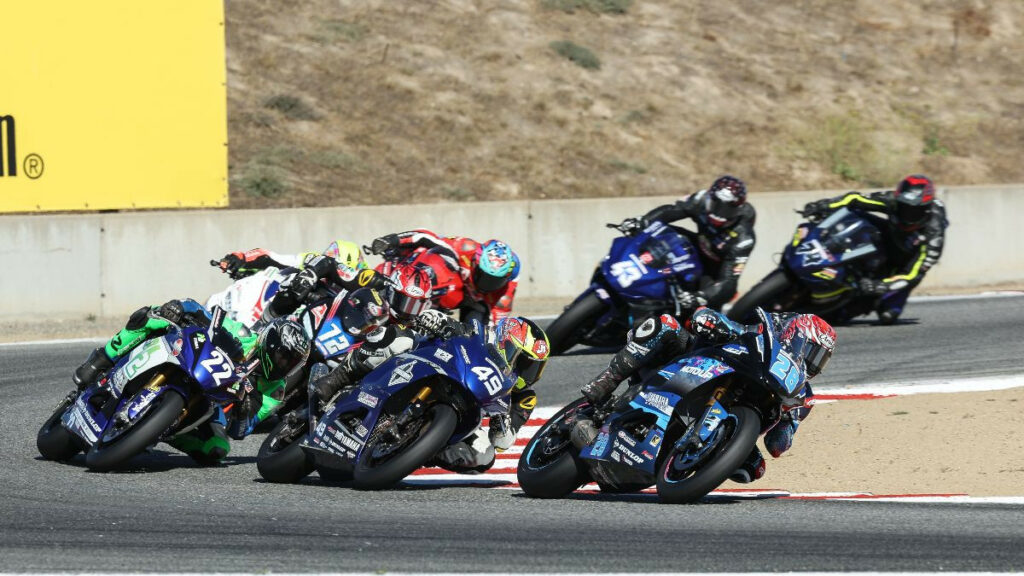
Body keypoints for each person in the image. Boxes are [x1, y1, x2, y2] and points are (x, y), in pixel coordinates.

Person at [577, 306, 836, 484]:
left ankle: (683, 459)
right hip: (690, 368)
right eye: (812, 352)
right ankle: (605, 382)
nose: (813, 364)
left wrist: (788, 423)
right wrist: (711, 321)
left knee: (753, 469)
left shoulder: (802, 395)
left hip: (729, 418)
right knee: (664, 325)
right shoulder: (760, 336)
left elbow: (777, 446)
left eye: (820, 360)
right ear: (794, 335)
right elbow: (705, 318)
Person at [310, 304, 550, 475]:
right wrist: (436, 320)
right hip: (428, 364)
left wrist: (502, 422)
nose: (527, 374)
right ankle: (337, 378)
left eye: (534, 368)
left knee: (484, 455)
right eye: (524, 363)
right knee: (396, 338)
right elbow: (446, 321)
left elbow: (504, 441)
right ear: (506, 343)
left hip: (462, 413)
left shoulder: (524, 398)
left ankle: (419, 448)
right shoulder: (482, 335)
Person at [71, 299, 310, 463]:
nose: (285, 366)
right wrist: (180, 308)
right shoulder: (245, 336)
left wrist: (244, 412)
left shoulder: (275, 390)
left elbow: (240, 431)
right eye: (283, 357)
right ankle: (102, 360)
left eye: (292, 364)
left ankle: (154, 431)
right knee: (152, 315)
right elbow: (204, 312)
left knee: (217, 449)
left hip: (211, 403)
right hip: (187, 358)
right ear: (270, 344)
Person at [802, 174, 948, 324]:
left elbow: (913, 274)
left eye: (914, 211)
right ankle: (826, 257)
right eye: (904, 207)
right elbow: (855, 199)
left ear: (927, 209)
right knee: (854, 213)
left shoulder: (934, 233)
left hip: (906, 262)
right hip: (889, 236)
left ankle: (837, 311)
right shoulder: (891, 200)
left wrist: (880, 286)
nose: (907, 214)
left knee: (887, 315)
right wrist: (823, 205)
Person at [618, 175, 756, 311]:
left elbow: (729, 281)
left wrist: (701, 296)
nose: (719, 215)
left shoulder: (743, 238)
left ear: (738, 210)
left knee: (700, 317)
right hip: (697, 247)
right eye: (716, 205)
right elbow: (671, 211)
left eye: (727, 210)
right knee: (663, 232)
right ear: (709, 198)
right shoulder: (700, 200)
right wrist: (641, 222)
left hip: (713, 271)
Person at [367, 230, 521, 323]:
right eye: (484, 275)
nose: (487, 284)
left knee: (479, 329)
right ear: (475, 263)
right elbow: (426, 236)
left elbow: (497, 325)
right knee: (441, 259)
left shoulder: (507, 290)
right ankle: (393, 282)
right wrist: (392, 240)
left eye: (495, 280)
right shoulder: (466, 248)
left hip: (463, 301)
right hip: (422, 277)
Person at [217, 244, 389, 322]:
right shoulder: (312, 260)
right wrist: (242, 258)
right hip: (255, 312)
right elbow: (271, 256)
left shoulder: (357, 296)